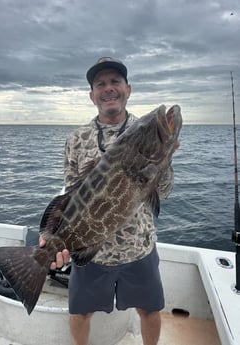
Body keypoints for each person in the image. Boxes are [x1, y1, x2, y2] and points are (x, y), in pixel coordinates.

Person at [40, 57, 176, 345]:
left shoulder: (145, 128)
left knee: (150, 311)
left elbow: (162, 192)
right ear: (92, 95)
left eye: (115, 81)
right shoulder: (76, 139)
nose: (108, 88)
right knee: (80, 314)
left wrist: (166, 159)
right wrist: (50, 237)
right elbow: (70, 196)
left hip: (139, 248)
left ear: (128, 89)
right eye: (100, 84)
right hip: (94, 255)